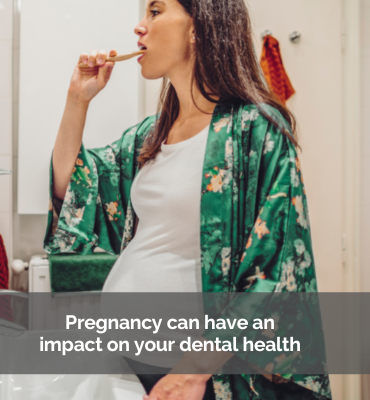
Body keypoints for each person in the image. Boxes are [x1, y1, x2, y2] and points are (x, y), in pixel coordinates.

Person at [44, 0, 332, 399]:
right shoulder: (149, 136)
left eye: (156, 11)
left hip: (191, 375)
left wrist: (194, 372)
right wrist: (78, 100)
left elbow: (276, 267)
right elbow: (74, 190)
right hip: (124, 359)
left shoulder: (256, 130)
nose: (139, 28)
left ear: (199, 26)